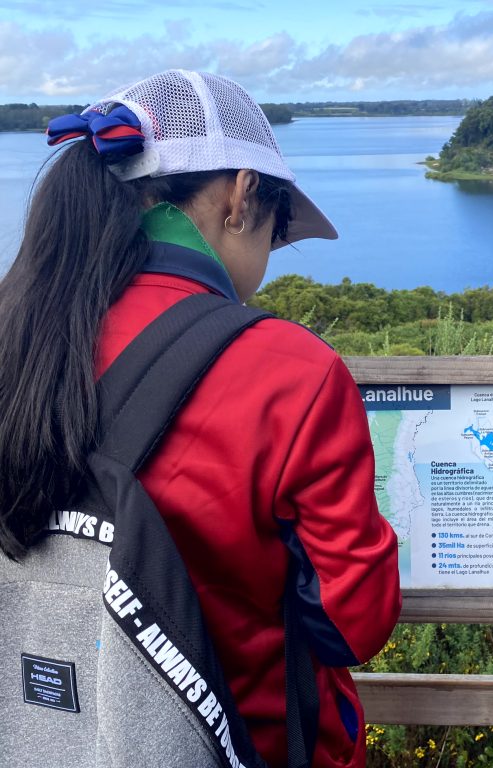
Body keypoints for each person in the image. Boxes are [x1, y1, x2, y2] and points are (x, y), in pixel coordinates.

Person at [0, 70, 401, 767]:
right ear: (241, 197)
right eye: (278, 232)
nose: (269, 261)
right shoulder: (290, 372)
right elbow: (353, 622)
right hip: (244, 745)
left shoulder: (20, 334)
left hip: (47, 738)